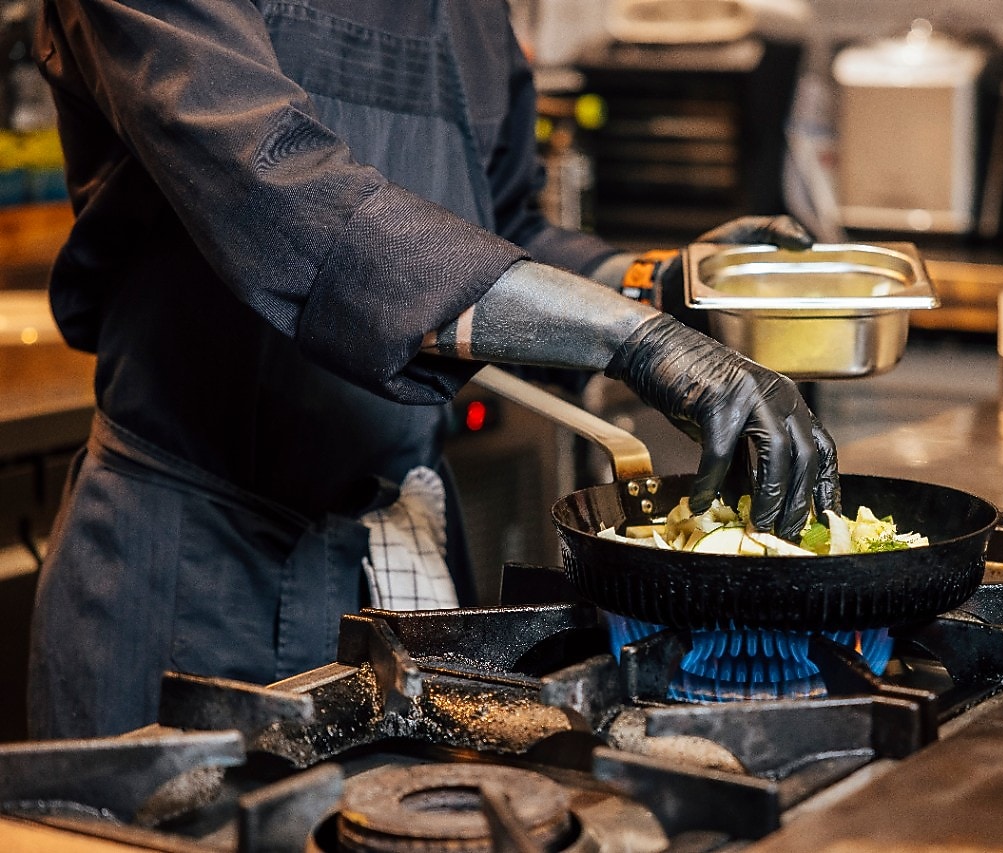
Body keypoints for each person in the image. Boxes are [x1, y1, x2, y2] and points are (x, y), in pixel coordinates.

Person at [26, 0, 840, 739]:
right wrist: (636, 339)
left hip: (402, 560)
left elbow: (503, 224)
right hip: (196, 575)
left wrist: (661, 285)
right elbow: (284, 199)